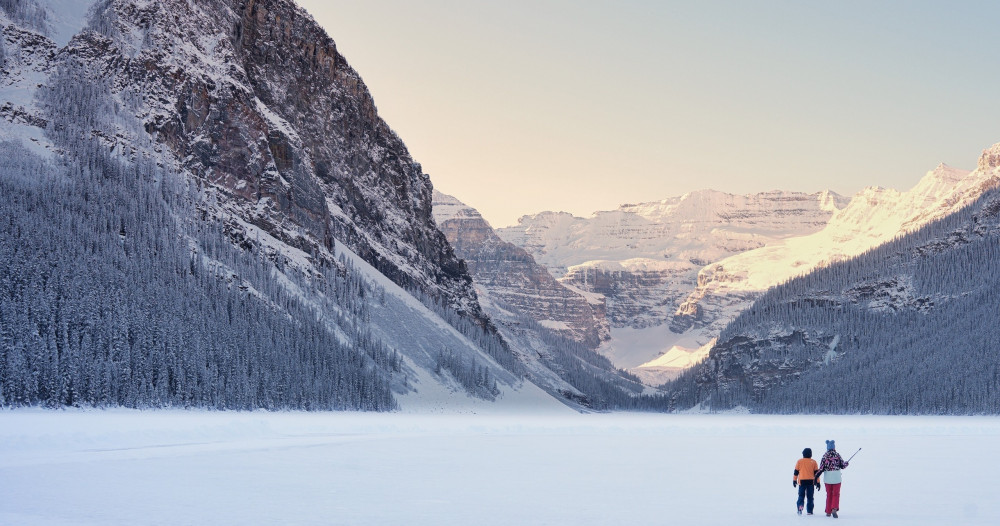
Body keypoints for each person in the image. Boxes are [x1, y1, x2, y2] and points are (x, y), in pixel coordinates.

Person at [816, 439, 849, 518]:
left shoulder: (825, 456)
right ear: (834, 447)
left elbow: (821, 468)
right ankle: (834, 508)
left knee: (829, 494)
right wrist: (846, 463)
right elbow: (843, 466)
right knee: (836, 494)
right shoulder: (837, 455)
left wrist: (816, 477)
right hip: (836, 478)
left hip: (828, 478)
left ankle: (828, 511)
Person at [792, 447, 821, 515]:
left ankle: (800, 507)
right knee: (810, 497)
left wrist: (794, 480)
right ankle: (809, 511)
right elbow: (816, 474)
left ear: (803, 454)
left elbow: (796, 472)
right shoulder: (814, 462)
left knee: (801, 496)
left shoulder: (799, 461)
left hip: (802, 481)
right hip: (811, 482)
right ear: (811, 454)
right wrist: (818, 483)